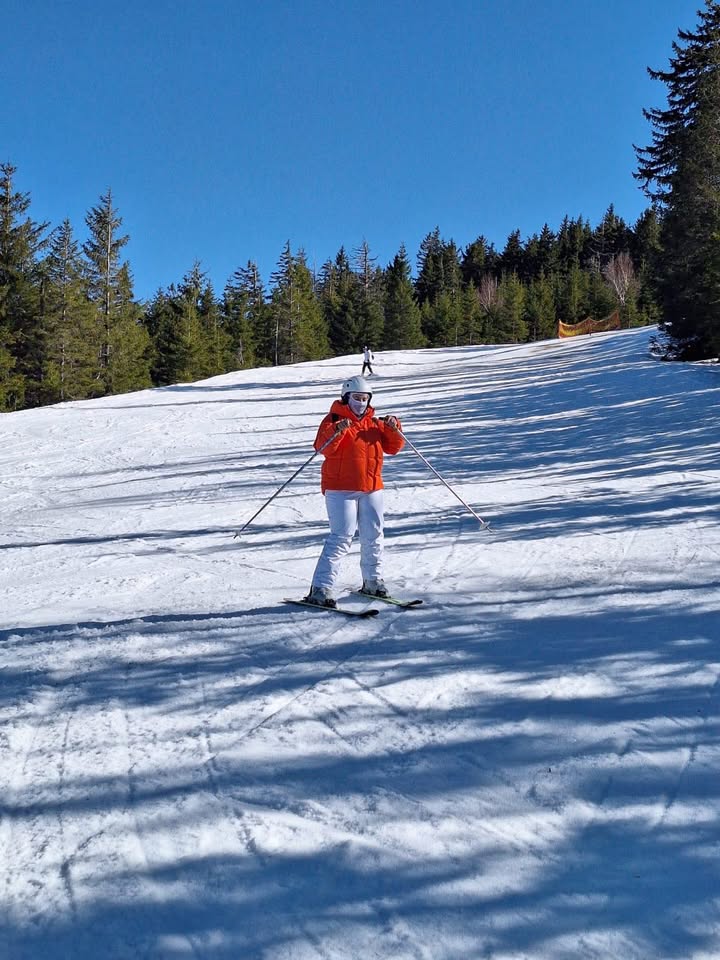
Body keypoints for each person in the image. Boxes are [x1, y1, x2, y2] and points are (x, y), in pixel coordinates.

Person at [305, 375, 404, 607]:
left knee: (374, 536)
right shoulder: (334, 420)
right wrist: (337, 430)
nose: (360, 403)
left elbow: (394, 447)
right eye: (356, 398)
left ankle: (373, 581)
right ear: (346, 398)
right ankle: (321, 587)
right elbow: (322, 447)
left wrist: (393, 427)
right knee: (341, 537)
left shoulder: (374, 424)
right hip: (341, 489)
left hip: (371, 488)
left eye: (364, 399)